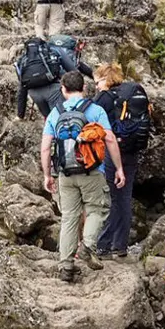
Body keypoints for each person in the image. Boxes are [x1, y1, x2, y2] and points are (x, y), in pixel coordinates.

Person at [42, 71, 125, 283]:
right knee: (97, 209)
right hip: (92, 172)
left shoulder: (55, 113)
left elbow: (45, 147)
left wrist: (47, 175)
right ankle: (88, 246)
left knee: (69, 217)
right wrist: (118, 168)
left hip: (65, 174)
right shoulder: (95, 110)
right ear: (84, 88)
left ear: (63, 89)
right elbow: (111, 140)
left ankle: (66, 266)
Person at [93, 63, 154, 258]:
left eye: (98, 81)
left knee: (112, 199)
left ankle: (103, 244)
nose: (95, 85)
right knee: (125, 198)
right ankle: (120, 246)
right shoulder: (133, 92)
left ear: (105, 79)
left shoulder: (105, 97)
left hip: (113, 151)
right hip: (133, 150)